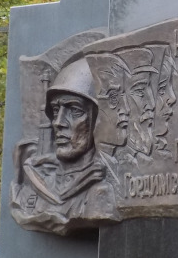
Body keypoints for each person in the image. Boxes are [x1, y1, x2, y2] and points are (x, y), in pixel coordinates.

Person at [10, 58, 119, 234]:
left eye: (74, 110)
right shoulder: (35, 175)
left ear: (98, 120)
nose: (58, 123)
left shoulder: (101, 192)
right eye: (55, 111)